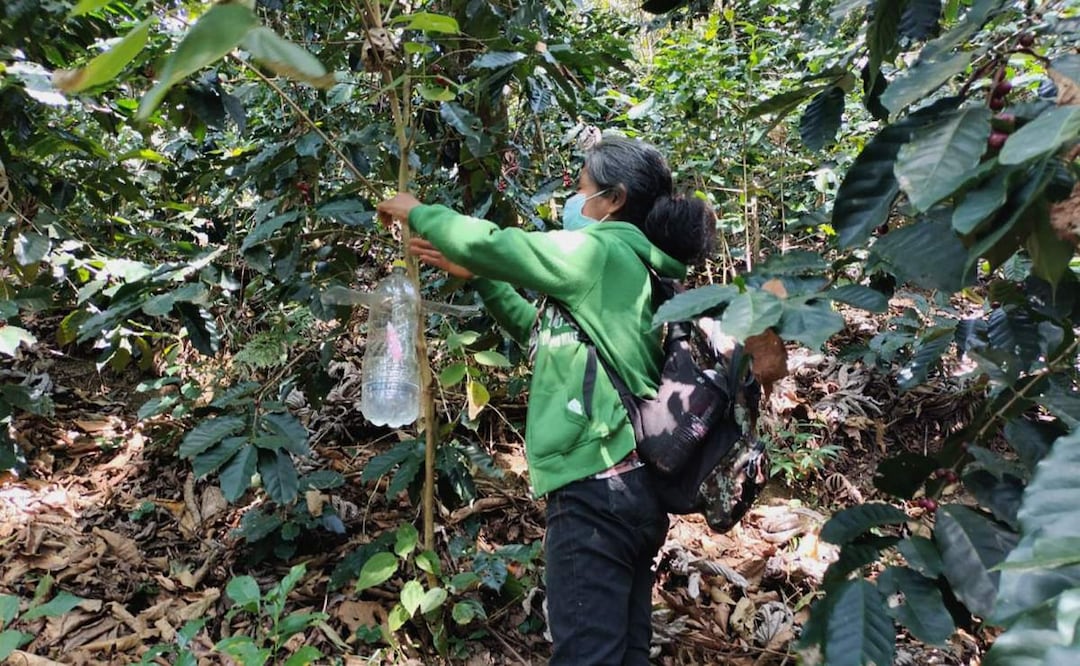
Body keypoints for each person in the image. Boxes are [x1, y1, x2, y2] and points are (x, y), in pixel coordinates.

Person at [377, 135, 715, 665]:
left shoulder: (601, 252)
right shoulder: (638, 269)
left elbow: (498, 244)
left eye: (581, 186)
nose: (574, 198)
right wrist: (482, 277)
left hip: (595, 492)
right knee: (625, 650)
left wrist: (420, 211)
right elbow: (540, 334)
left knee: (588, 655)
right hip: (631, 488)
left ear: (614, 199)